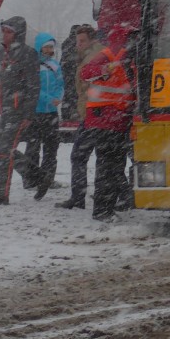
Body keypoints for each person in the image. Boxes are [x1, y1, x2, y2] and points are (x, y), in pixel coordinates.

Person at [79, 24, 136, 221]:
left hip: (115, 119)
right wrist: (106, 69)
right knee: (108, 166)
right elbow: (86, 73)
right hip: (106, 119)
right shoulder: (111, 55)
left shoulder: (124, 55)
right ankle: (103, 210)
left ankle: (109, 206)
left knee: (113, 165)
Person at [0, 16, 40, 205]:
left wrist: (28, 114)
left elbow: (33, 86)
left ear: (18, 34)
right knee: (9, 151)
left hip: (18, 111)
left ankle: (0, 195)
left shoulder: (28, 54)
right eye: (4, 31)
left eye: (9, 32)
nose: (5, 35)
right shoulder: (2, 54)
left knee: (4, 153)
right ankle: (39, 177)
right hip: (5, 110)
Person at [56, 24, 103, 210]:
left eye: (82, 41)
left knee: (79, 155)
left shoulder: (93, 58)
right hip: (96, 113)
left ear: (92, 40)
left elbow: (87, 87)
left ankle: (78, 197)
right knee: (105, 156)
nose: (78, 45)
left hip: (94, 113)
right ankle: (117, 195)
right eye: (77, 41)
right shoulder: (91, 55)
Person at [24, 32, 64, 200]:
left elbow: (61, 84)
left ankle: (48, 178)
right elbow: (32, 88)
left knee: (51, 148)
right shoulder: (32, 65)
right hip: (36, 112)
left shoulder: (55, 65)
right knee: (33, 148)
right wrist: (49, 98)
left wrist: (59, 97)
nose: (49, 50)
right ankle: (30, 179)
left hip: (51, 113)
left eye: (51, 47)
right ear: (39, 47)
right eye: (46, 47)